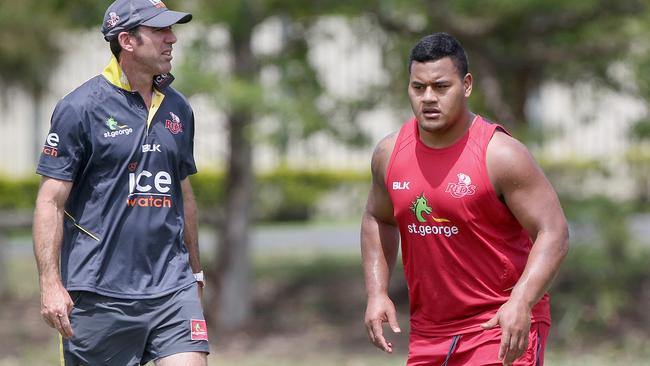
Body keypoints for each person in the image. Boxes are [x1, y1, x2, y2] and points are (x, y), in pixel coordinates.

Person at [361, 33, 569, 366]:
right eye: (418, 88)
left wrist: (521, 301)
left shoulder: (501, 155)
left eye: (441, 87)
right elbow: (377, 217)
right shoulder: (389, 154)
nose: (429, 98)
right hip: (430, 332)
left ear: (466, 85)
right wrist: (377, 291)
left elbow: (554, 231)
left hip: (498, 324)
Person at [32, 0, 209, 364]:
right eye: (159, 31)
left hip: (172, 288)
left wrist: (194, 270)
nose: (172, 39)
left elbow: (183, 192)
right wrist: (50, 284)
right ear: (127, 41)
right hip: (99, 292)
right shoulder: (80, 108)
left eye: (171, 30)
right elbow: (50, 202)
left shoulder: (179, 108)